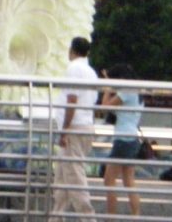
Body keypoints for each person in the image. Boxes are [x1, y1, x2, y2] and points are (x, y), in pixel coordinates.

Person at [48, 36, 98, 222]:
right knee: (62, 176)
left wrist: (65, 130)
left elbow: (72, 100)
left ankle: (88, 218)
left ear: (72, 50)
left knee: (74, 176)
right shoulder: (91, 72)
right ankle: (56, 217)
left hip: (74, 128)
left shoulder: (73, 69)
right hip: (84, 125)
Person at [100, 63, 142, 217]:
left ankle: (111, 217)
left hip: (123, 139)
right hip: (133, 139)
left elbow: (104, 107)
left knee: (109, 181)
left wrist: (107, 87)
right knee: (129, 182)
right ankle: (135, 217)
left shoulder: (126, 90)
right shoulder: (137, 92)